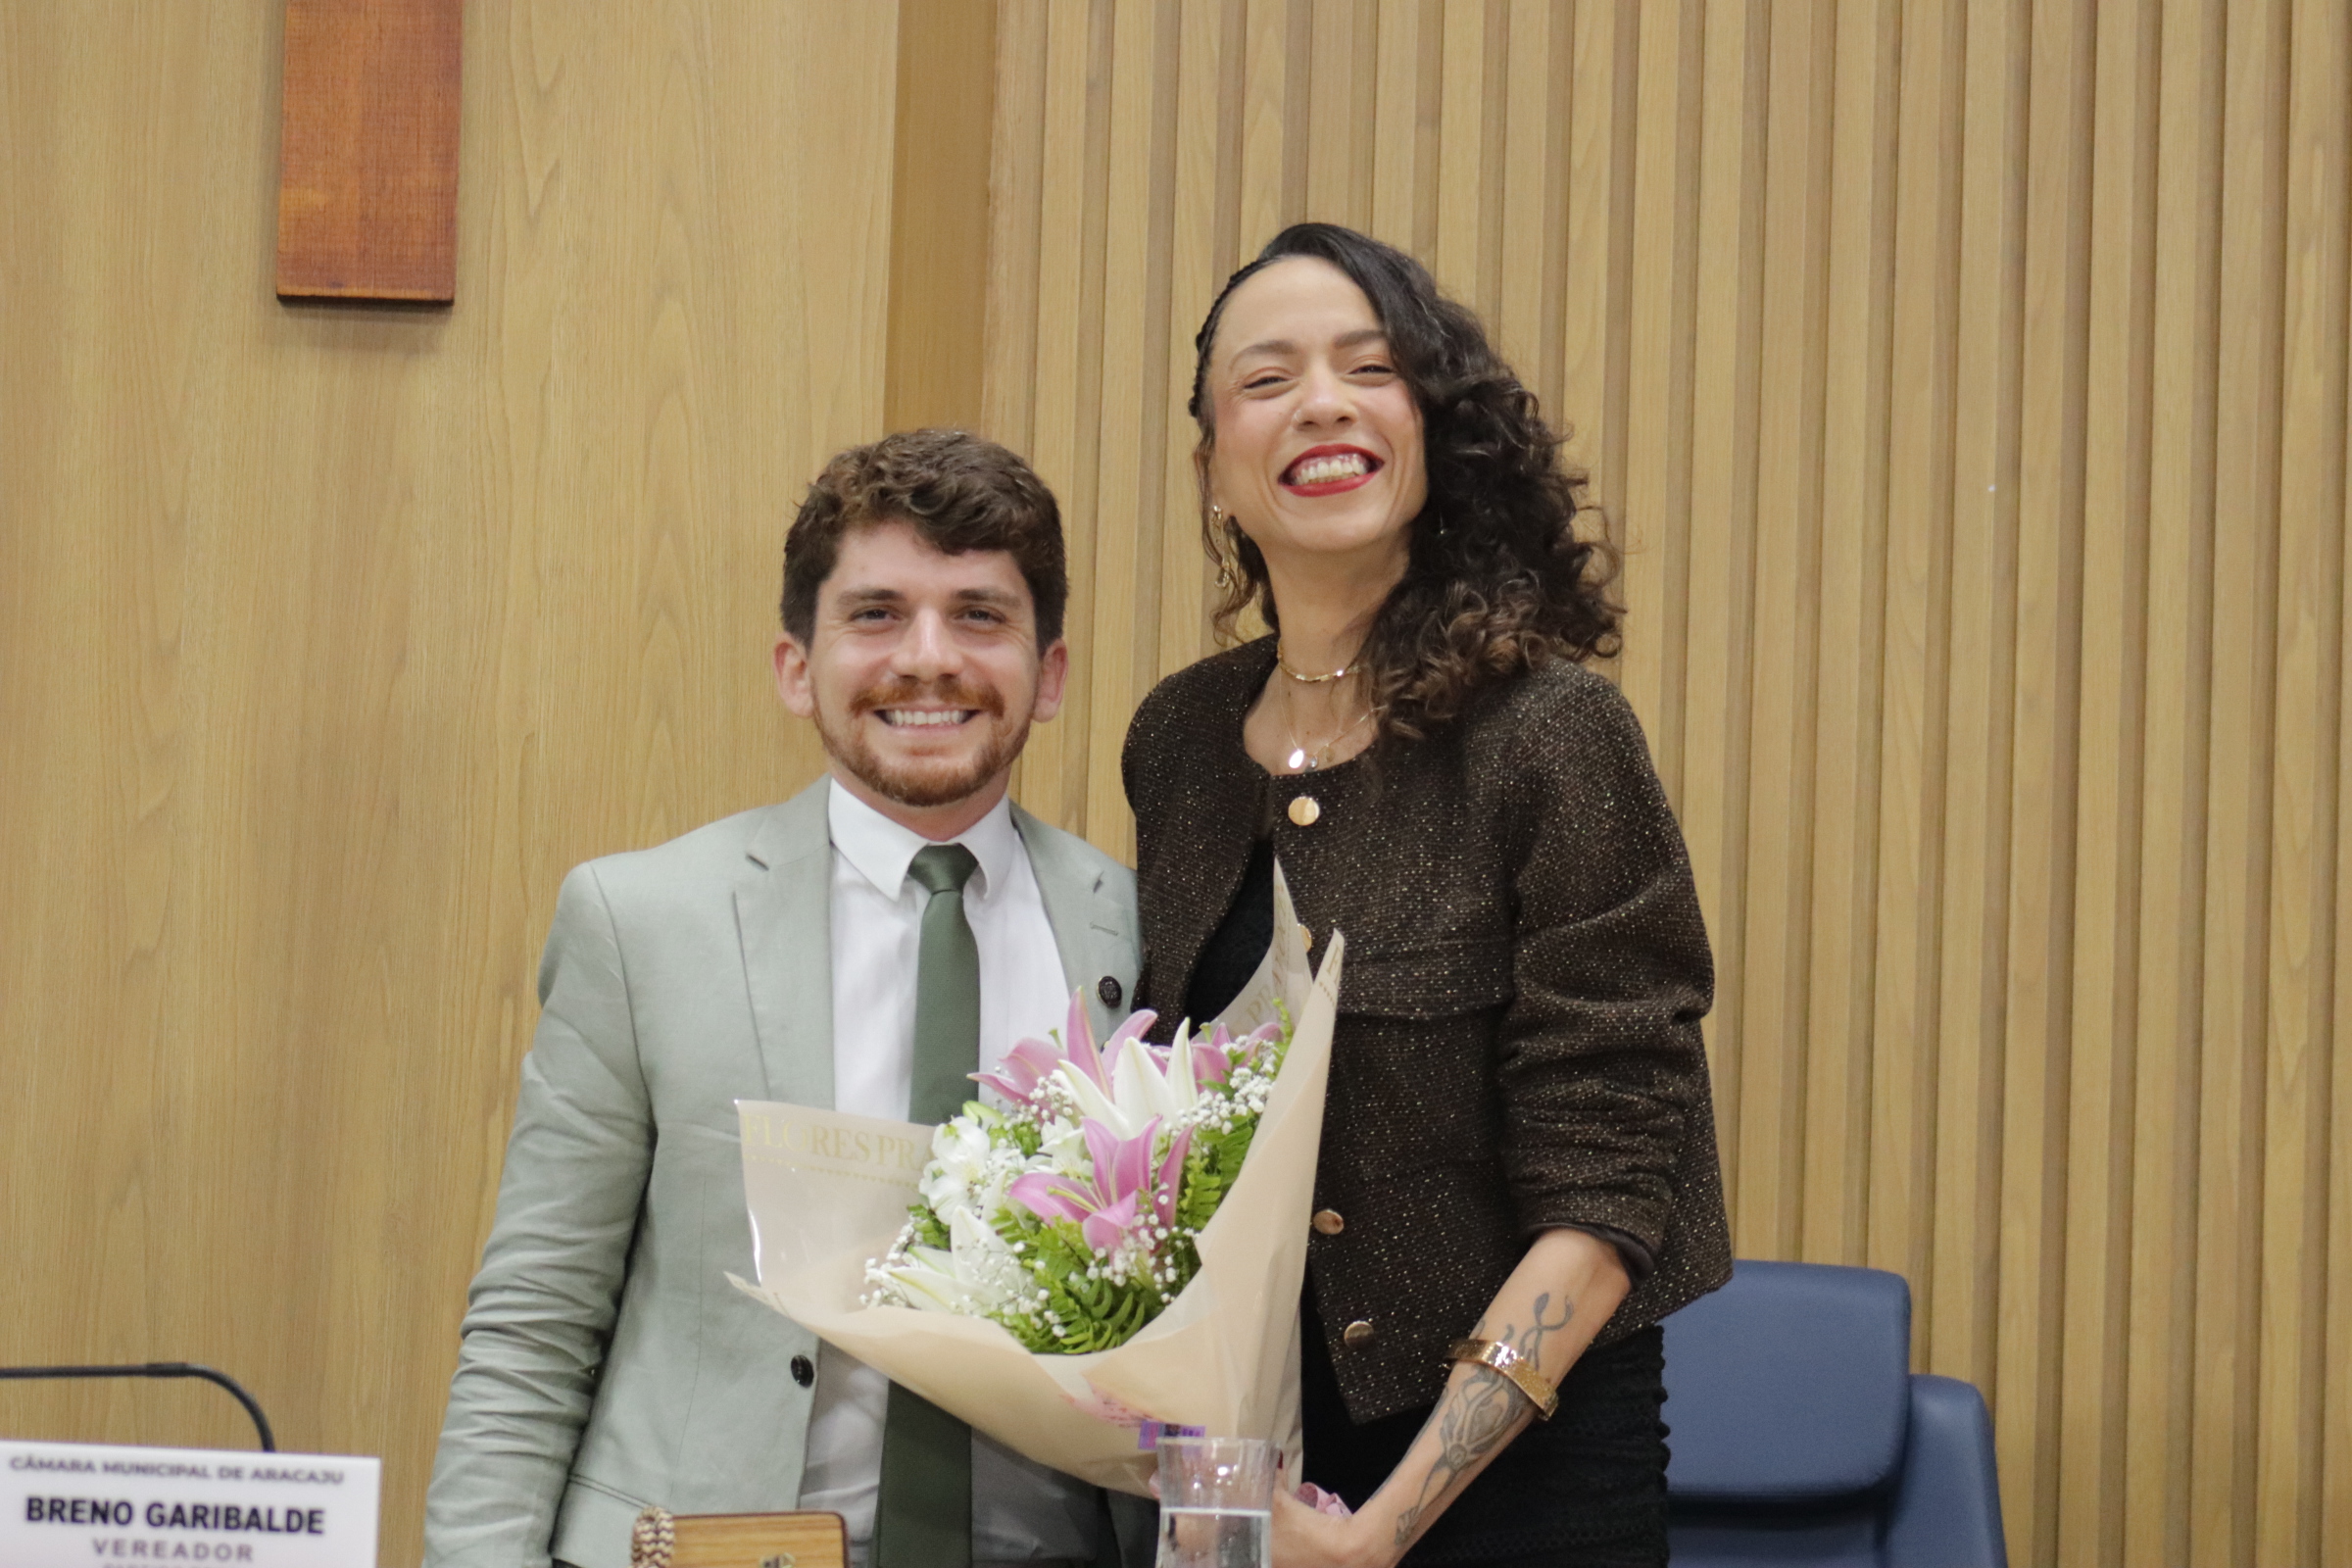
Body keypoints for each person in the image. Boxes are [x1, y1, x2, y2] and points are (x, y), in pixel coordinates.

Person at [426, 429, 1154, 1568]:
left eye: (978, 615)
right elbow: (535, 1322)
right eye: (876, 614)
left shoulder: (1142, 933)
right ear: (795, 666)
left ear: (1049, 672)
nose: (929, 658)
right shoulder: (644, 921)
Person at [1122, 224, 1732, 1568]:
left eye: (1370, 368)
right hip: (1263, 1467)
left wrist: (1380, 1534)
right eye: (1267, 379)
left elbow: (1607, 1196)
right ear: (1213, 466)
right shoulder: (1179, 741)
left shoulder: (1551, 737)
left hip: (1524, 1487)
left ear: (1430, 431)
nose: (1321, 403)